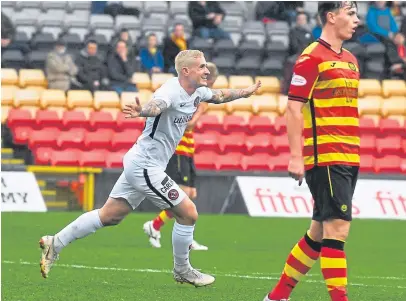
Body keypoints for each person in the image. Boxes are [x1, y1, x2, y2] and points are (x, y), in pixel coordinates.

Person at [39, 50, 261, 287]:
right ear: (186, 71)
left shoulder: (197, 91)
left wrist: (244, 93)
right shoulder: (170, 91)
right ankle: (182, 270)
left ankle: (56, 242)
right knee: (189, 214)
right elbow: (157, 105)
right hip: (145, 165)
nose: (207, 71)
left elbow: (219, 95)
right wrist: (141, 111)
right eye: (202, 67)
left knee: (110, 215)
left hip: (142, 162)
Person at [263, 2, 360, 301]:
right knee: (337, 230)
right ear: (332, 17)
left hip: (349, 155)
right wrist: (296, 156)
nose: (356, 20)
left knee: (318, 233)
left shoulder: (352, 60)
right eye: (351, 13)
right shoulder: (310, 58)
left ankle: (276, 297)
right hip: (326, 157)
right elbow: (293, 108)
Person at [142, 62, 219, 250]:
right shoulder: (189, 95)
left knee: (190, 193)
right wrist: (202, 110)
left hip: (188, 148)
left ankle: (165, 229)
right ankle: (156, 226)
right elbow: (189, 124)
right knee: (183, 194)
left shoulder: (198, 95)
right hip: (178, 148)